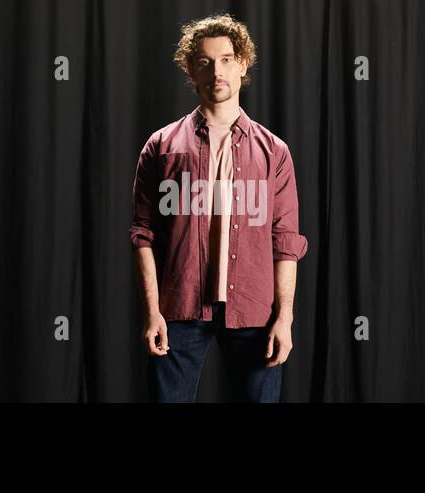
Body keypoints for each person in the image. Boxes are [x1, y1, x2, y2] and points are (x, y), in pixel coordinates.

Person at [129, 14, 308, 403]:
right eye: (206, 61)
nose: (217, 71)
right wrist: (152, 311)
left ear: (243, 64)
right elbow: (143, 234)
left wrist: (285, 316)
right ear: (191, 68)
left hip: (254, 309)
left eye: (227, 59)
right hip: (179, 308)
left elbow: (285, 240)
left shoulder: (274, 152)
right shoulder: (161, 146)